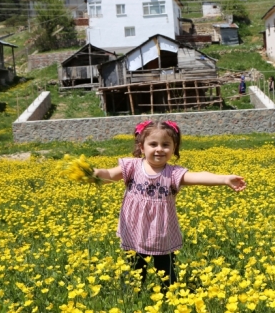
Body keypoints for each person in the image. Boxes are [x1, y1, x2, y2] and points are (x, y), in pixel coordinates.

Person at [93, 120, 246, 288]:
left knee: (166, 271)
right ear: (142, 147)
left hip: (162, 232)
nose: (159, 149)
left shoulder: (173, 173)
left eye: (165, 145)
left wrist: (224, 179)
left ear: (174, 148)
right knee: (134, 270)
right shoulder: (132, 166)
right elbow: (109, 175)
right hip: (134, 230)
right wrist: (92, 174)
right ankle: (132, 297)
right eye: (153, 144)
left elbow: (197, 177)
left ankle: (170, 295)